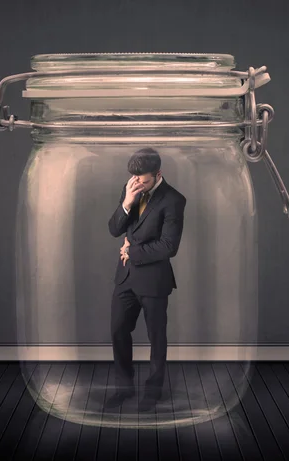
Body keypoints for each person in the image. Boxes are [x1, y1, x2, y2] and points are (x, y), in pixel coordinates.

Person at [105, 147, 187, 412]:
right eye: (134, 178)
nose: (138, 183)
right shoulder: (130, 188)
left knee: (156, 338)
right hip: (126, 277)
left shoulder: (173, 200)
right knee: (118, 331)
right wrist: (127, 202)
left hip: (153, 279)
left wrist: (131, 250)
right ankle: (124, 389)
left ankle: (153, 393)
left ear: (158, 174)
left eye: (143, 180)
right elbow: (114, 229)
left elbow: (168, 247)